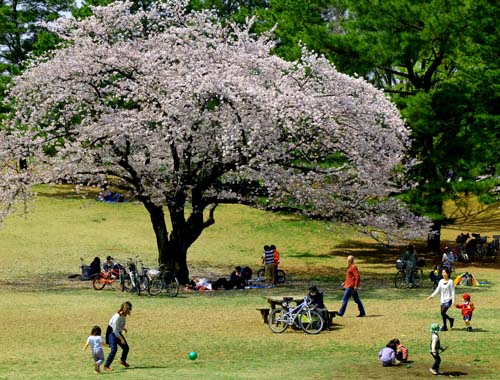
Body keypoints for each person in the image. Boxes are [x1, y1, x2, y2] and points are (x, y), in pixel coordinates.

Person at [104, 301, 132, 371]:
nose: (130, 311)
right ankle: (106, 366)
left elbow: (120, 325)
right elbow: (114, 330)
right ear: (125, 309)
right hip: (111, 333)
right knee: (114, 349)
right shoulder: (117, 317)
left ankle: (122, 360)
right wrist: (121, 339)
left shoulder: (124, 316)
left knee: (126, 348)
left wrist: (123, 328)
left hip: (117, 332)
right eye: (129, 309)